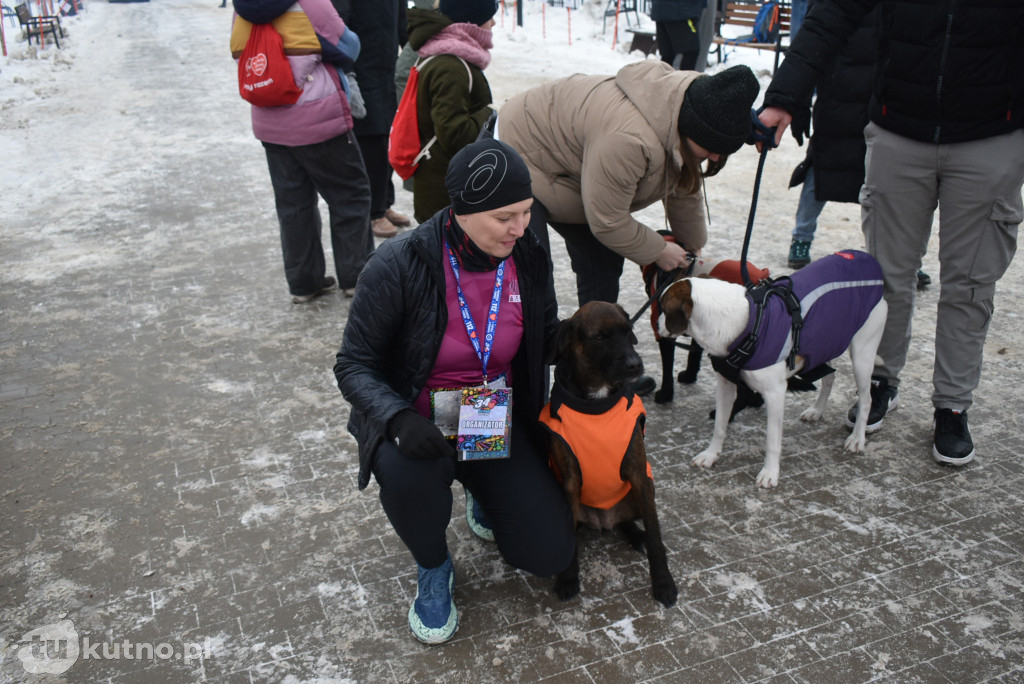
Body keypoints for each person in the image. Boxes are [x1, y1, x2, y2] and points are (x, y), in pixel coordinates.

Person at [759, 0, 1024, 466]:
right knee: (887, 276)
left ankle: (953, 404)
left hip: (991, 135)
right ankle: (879, 381)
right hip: (899, 129)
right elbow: (831, 15)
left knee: (970, 282)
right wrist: (787, 94)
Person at [333, 138, 575, 645]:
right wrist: (396, 419)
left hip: (488, 415)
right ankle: (433, 565)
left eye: (527, 212)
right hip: (417, 422)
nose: (520, 228)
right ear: (464, 212)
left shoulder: (527, 252)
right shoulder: (400, 263)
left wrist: (593, 342)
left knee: (549, 554)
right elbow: (353, 365)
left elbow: (545, 333)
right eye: (505, 216)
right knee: (411, 481)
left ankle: (481, 490)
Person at [497, 62, 759, 307]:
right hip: (519, 151)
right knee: (529, 274)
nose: (715, 157)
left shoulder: (691, 108)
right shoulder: (629, 141)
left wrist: (693, 247)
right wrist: (659, 250)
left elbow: (681, 183)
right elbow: (607, 220)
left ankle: (595, 346)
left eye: (723, 151)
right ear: (694, 129)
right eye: (712, 148)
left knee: (603, 261)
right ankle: (529, 351)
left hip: (571, 163)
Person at [230, 0, 373, 303]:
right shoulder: (309, 3)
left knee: (293, 205)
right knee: (350, 196)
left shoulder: (241, 6)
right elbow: (348, 47)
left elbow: (238, 52)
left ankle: (304, 283)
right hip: (318, 117)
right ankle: (356, 277)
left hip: (270, 120)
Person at [781, 0, 931, 290]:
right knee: (822, 169)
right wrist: (797, 95)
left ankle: (904, 259)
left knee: (893, 186)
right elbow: (814, 39)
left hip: (887, 98)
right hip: (838, 93)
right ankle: (800, 238)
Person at [405, 0, 498, 223]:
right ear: (472, 19)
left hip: (446, 188)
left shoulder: (452, 56)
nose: (493, 23)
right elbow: (454, 134)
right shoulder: (450, 65)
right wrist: (490, 113)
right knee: (449, 258)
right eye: (489, 17)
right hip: (446, 196)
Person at [334, 0, 413, 239]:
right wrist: (347, 71)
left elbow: (403, 26)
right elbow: (339, 27)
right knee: (373, 142)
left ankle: (384, 203)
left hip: (389, 71)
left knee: (388, 139)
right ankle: (372, 212)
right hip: (361, 73)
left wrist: (414, 54)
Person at [650, 0, 706, 71]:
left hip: (662, 9)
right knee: (691, 51)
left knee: (668, 55)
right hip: (682, 11)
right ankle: (685, 80)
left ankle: (664, 80)